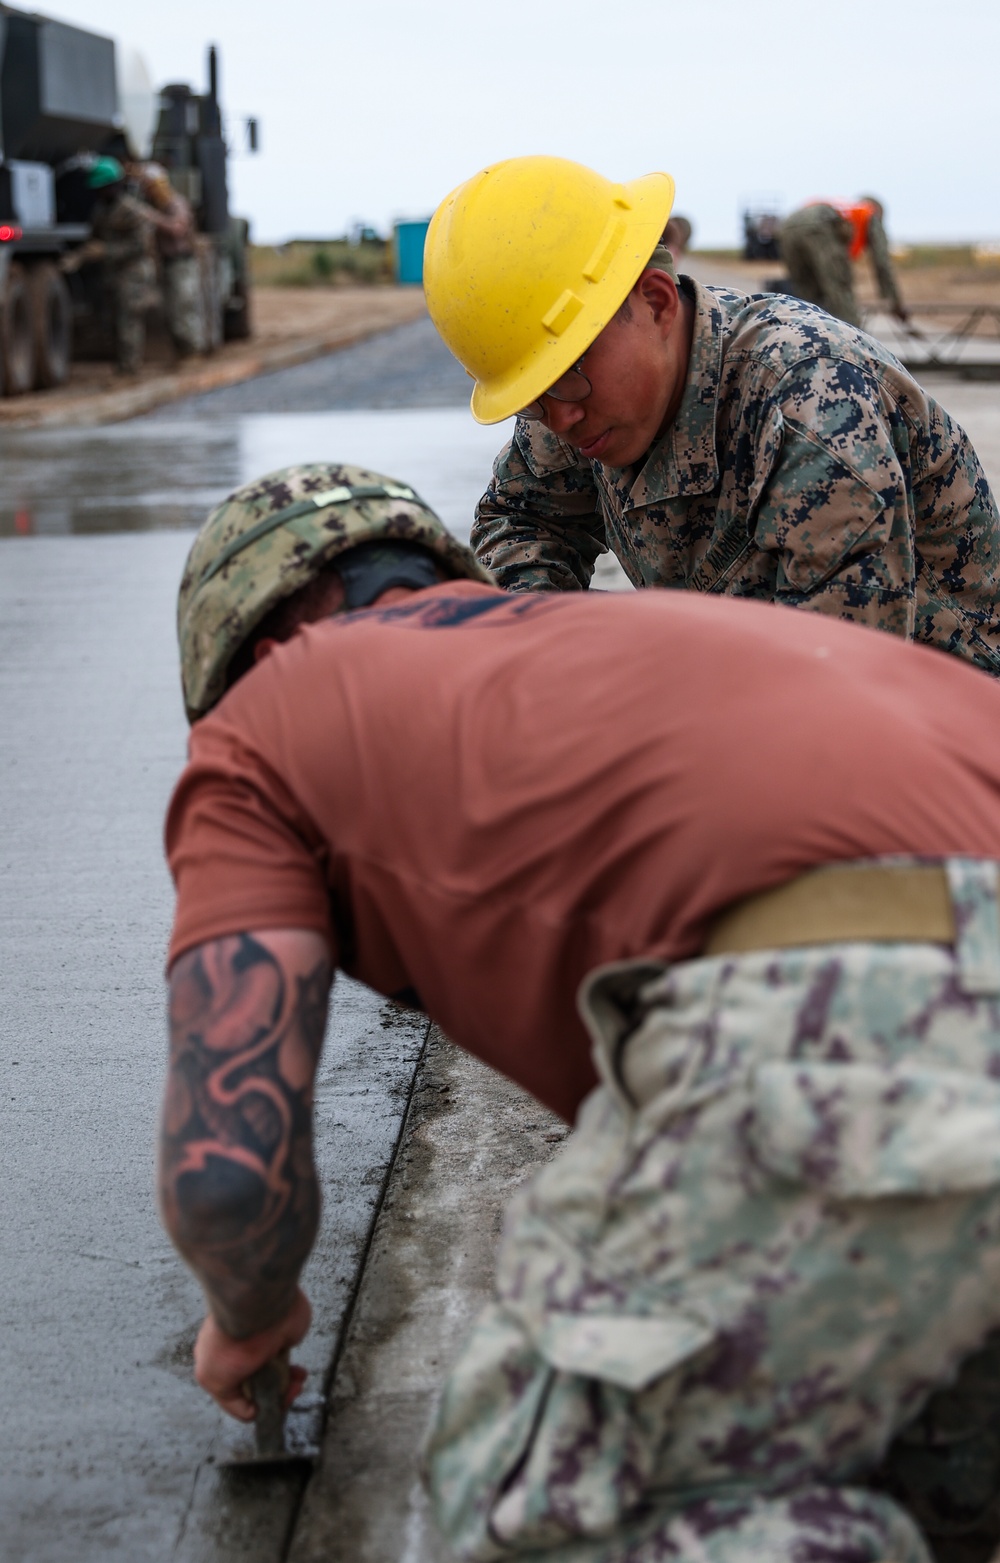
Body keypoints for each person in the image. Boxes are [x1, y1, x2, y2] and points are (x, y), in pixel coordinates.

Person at [162, 461, 1000, 1563]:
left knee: (539, 1490)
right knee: (916, 1457)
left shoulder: (268, 719)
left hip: (867, 1020)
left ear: (252, 651)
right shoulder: (644, 639)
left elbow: (228, 1171)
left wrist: (246, 1311)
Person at [422, 157, 1000, 676]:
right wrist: (546, 651)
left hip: (938, 733)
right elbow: (524, 520)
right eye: (533, 397)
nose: (560, 417)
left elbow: (837, 689)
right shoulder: (573, 395)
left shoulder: (813, 403)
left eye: (567, 376)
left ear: (655, 300)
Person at [62, 157, 160, 376]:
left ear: (114, 186)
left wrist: (107, 251)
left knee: (129, 320)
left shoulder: (131, 211)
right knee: (113, 321)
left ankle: (130, 368)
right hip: (113, 275)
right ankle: (123, 365)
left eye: (103, 188)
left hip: (133, 274)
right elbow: (94, 240)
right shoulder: (101, 211)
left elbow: (141, 247)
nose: (99, 193)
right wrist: (79, 257)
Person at [779, 196, 908, 328]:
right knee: (841, 293)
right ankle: (855, 344)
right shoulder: (869, 214)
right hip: (819, 225)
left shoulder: (846, 211)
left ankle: (806, 339)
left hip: (788, 225)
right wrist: (895, 303)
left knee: (806, 296)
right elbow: (882, 263)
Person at [136, 163, 204, 357]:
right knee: (171, 311)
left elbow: (177, 229)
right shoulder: (157, 207)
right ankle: (182, 351)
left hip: (182, 263)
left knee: (184, 307)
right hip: (168, 264)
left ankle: (192, 351)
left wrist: (152, 218)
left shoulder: (176, 204)